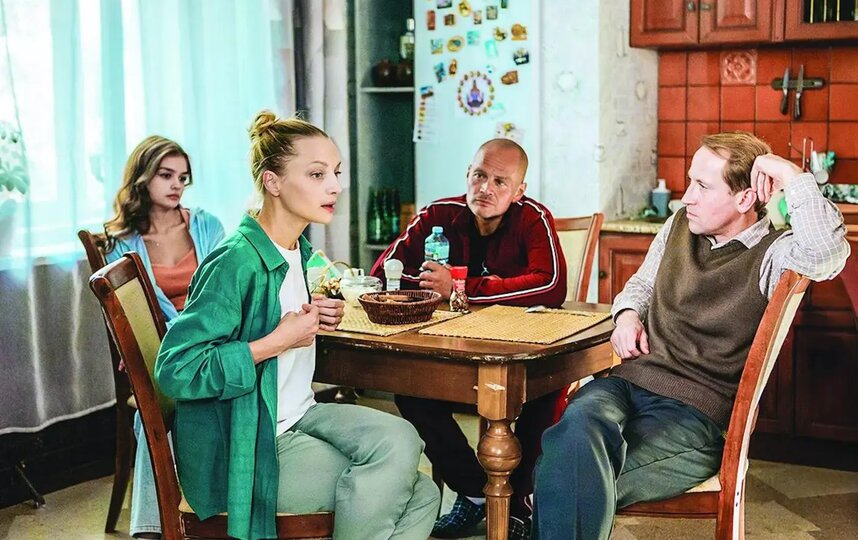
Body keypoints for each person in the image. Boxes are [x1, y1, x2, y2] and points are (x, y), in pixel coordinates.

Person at [531, 132, 850, 540]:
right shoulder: (678, 225)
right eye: (689, 182)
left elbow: (827, 253)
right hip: (626, 384)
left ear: (745, 198)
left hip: (694, 416)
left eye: (702, 186)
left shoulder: (774, 254)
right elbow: (641, 286)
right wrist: (626, 316)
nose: (686, 198)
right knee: (576, 426)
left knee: (561, 473)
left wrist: (790, 174)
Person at [155, 111, 440, 540]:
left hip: (297, 414)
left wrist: (314, 320)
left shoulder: (297, 252)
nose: (335, 187)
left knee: (404, 441)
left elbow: (284, 323)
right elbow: (176, 369)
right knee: (415, 491)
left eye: (336, 173)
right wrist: (275, 341)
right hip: (249, 446)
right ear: (272, 182)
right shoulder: (235, 261)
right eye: (317, 174)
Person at [370, 138, 567, 540]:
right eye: (479, 175)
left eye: (500, 182)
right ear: (467, 175)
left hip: (517, 357)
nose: (485, 188)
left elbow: (549, 285)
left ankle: (519, 505)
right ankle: (475, 492)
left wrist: (460, 286)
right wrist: (437, 286)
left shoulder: (533, 218)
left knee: (545, 387)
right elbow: (383, 272)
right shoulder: (439, 214)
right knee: (410, 389)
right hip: (455, 357)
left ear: (519, 191)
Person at [104, 135, 225, 539]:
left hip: (211, 341)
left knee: (153, 412)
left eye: (183, 177)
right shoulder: (121, 244)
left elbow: (225, 291)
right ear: (142, 178)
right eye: (166, 175)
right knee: (154, 408)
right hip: (161, 353)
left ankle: (155, 529)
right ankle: (159, 528)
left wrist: (201, 332)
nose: (176, 185)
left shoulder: (207, 225)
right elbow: (131, 314)